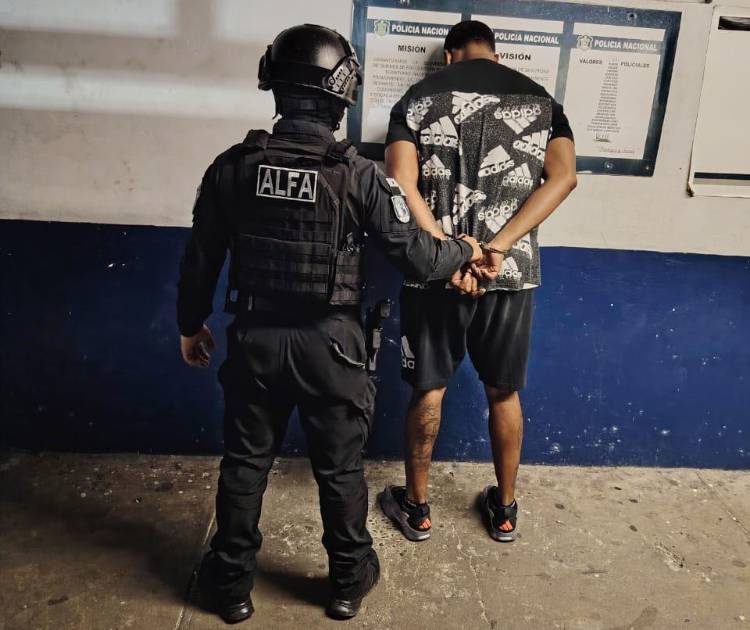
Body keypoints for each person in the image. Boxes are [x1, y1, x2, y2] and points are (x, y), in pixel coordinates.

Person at [176, 24, 482, 624]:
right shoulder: (360, 175)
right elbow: (420, 258)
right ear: (342, 93)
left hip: (256, 341)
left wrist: (191, 326)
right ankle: (346, 581)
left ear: (274, 85)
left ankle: (231, 586)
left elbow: (200, 261)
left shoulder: (233, 167)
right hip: (333, 346)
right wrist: (464, 250)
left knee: (245, 465)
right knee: (340, 471)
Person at [379, 20, 577, 544]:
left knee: (428, 389)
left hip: (434, 272)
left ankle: (417, 510)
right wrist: (500, 245)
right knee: (503, 392)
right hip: (509, 272)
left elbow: (400, 181)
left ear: (449, 55)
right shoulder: (542, 102)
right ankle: (505, 510)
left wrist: (451, 256)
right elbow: (564, 177)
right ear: (496, 53)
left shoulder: (417, 99)